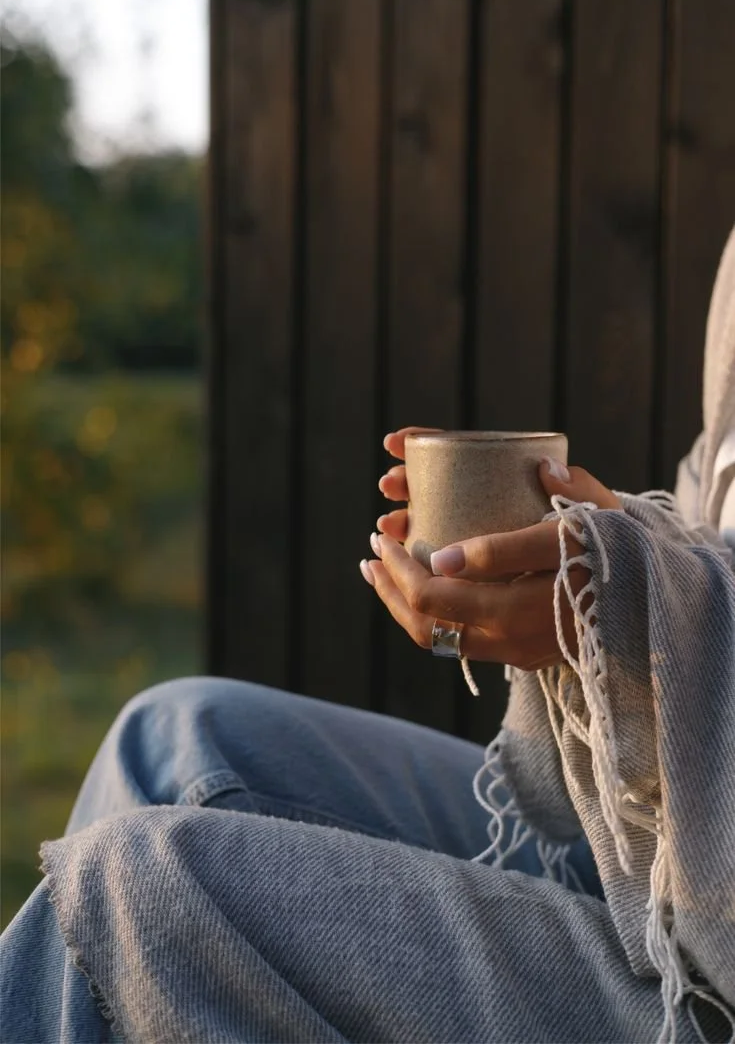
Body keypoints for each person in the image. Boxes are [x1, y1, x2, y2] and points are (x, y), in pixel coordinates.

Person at [2, 229, 734, 1044]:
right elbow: (702, 532)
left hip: (712, 958)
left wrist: (630, 604)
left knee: (134, 891)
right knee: (172, 733)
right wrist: (595, 578)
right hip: (660, 826)